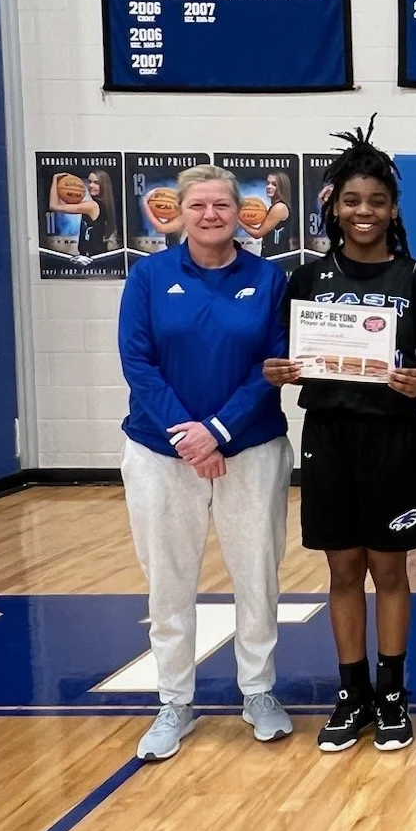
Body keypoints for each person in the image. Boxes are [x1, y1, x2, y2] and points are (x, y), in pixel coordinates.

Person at [265, 127, 416, 753]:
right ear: (331, 205)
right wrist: (280, 371)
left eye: (375, 200)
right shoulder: (308, 279)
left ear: (392, 209)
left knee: (389, 570)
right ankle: (352, 692)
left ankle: (392, 692)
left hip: (393, 436)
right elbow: (287, 355)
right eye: (351, 200)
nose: (363, 211)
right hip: (329, 435)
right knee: (343, 569)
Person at [117, 163, 293, 762]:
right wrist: (187, 437)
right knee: (168, 579)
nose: (211, 216)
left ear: (238, 212)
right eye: (199, 207)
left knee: (258, 574)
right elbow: (137, 362)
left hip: (251, 447)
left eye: (222, 205)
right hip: (159, 452)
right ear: (178, 213)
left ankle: (259, 691)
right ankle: (174, 701)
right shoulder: (148, 276)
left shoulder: (269, 279)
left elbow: (273, 364)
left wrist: (217, 430)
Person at [49, 169, 119, 257]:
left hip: (91, 258)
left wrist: (55, 180)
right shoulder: (104, 204)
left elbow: (54, 206)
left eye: (96, 183)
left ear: (103, 185)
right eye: (89, 182)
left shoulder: (92, 206)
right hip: (98, 256)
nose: (91, 185)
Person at [240, 171, 293, 258]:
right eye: (268, 183)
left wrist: (238, 220)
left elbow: (258, 233)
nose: (269, 187)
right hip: (270, 256)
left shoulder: (279, 207)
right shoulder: (274, 206)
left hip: (278, 258)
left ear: (282, 187)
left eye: (274, 184)